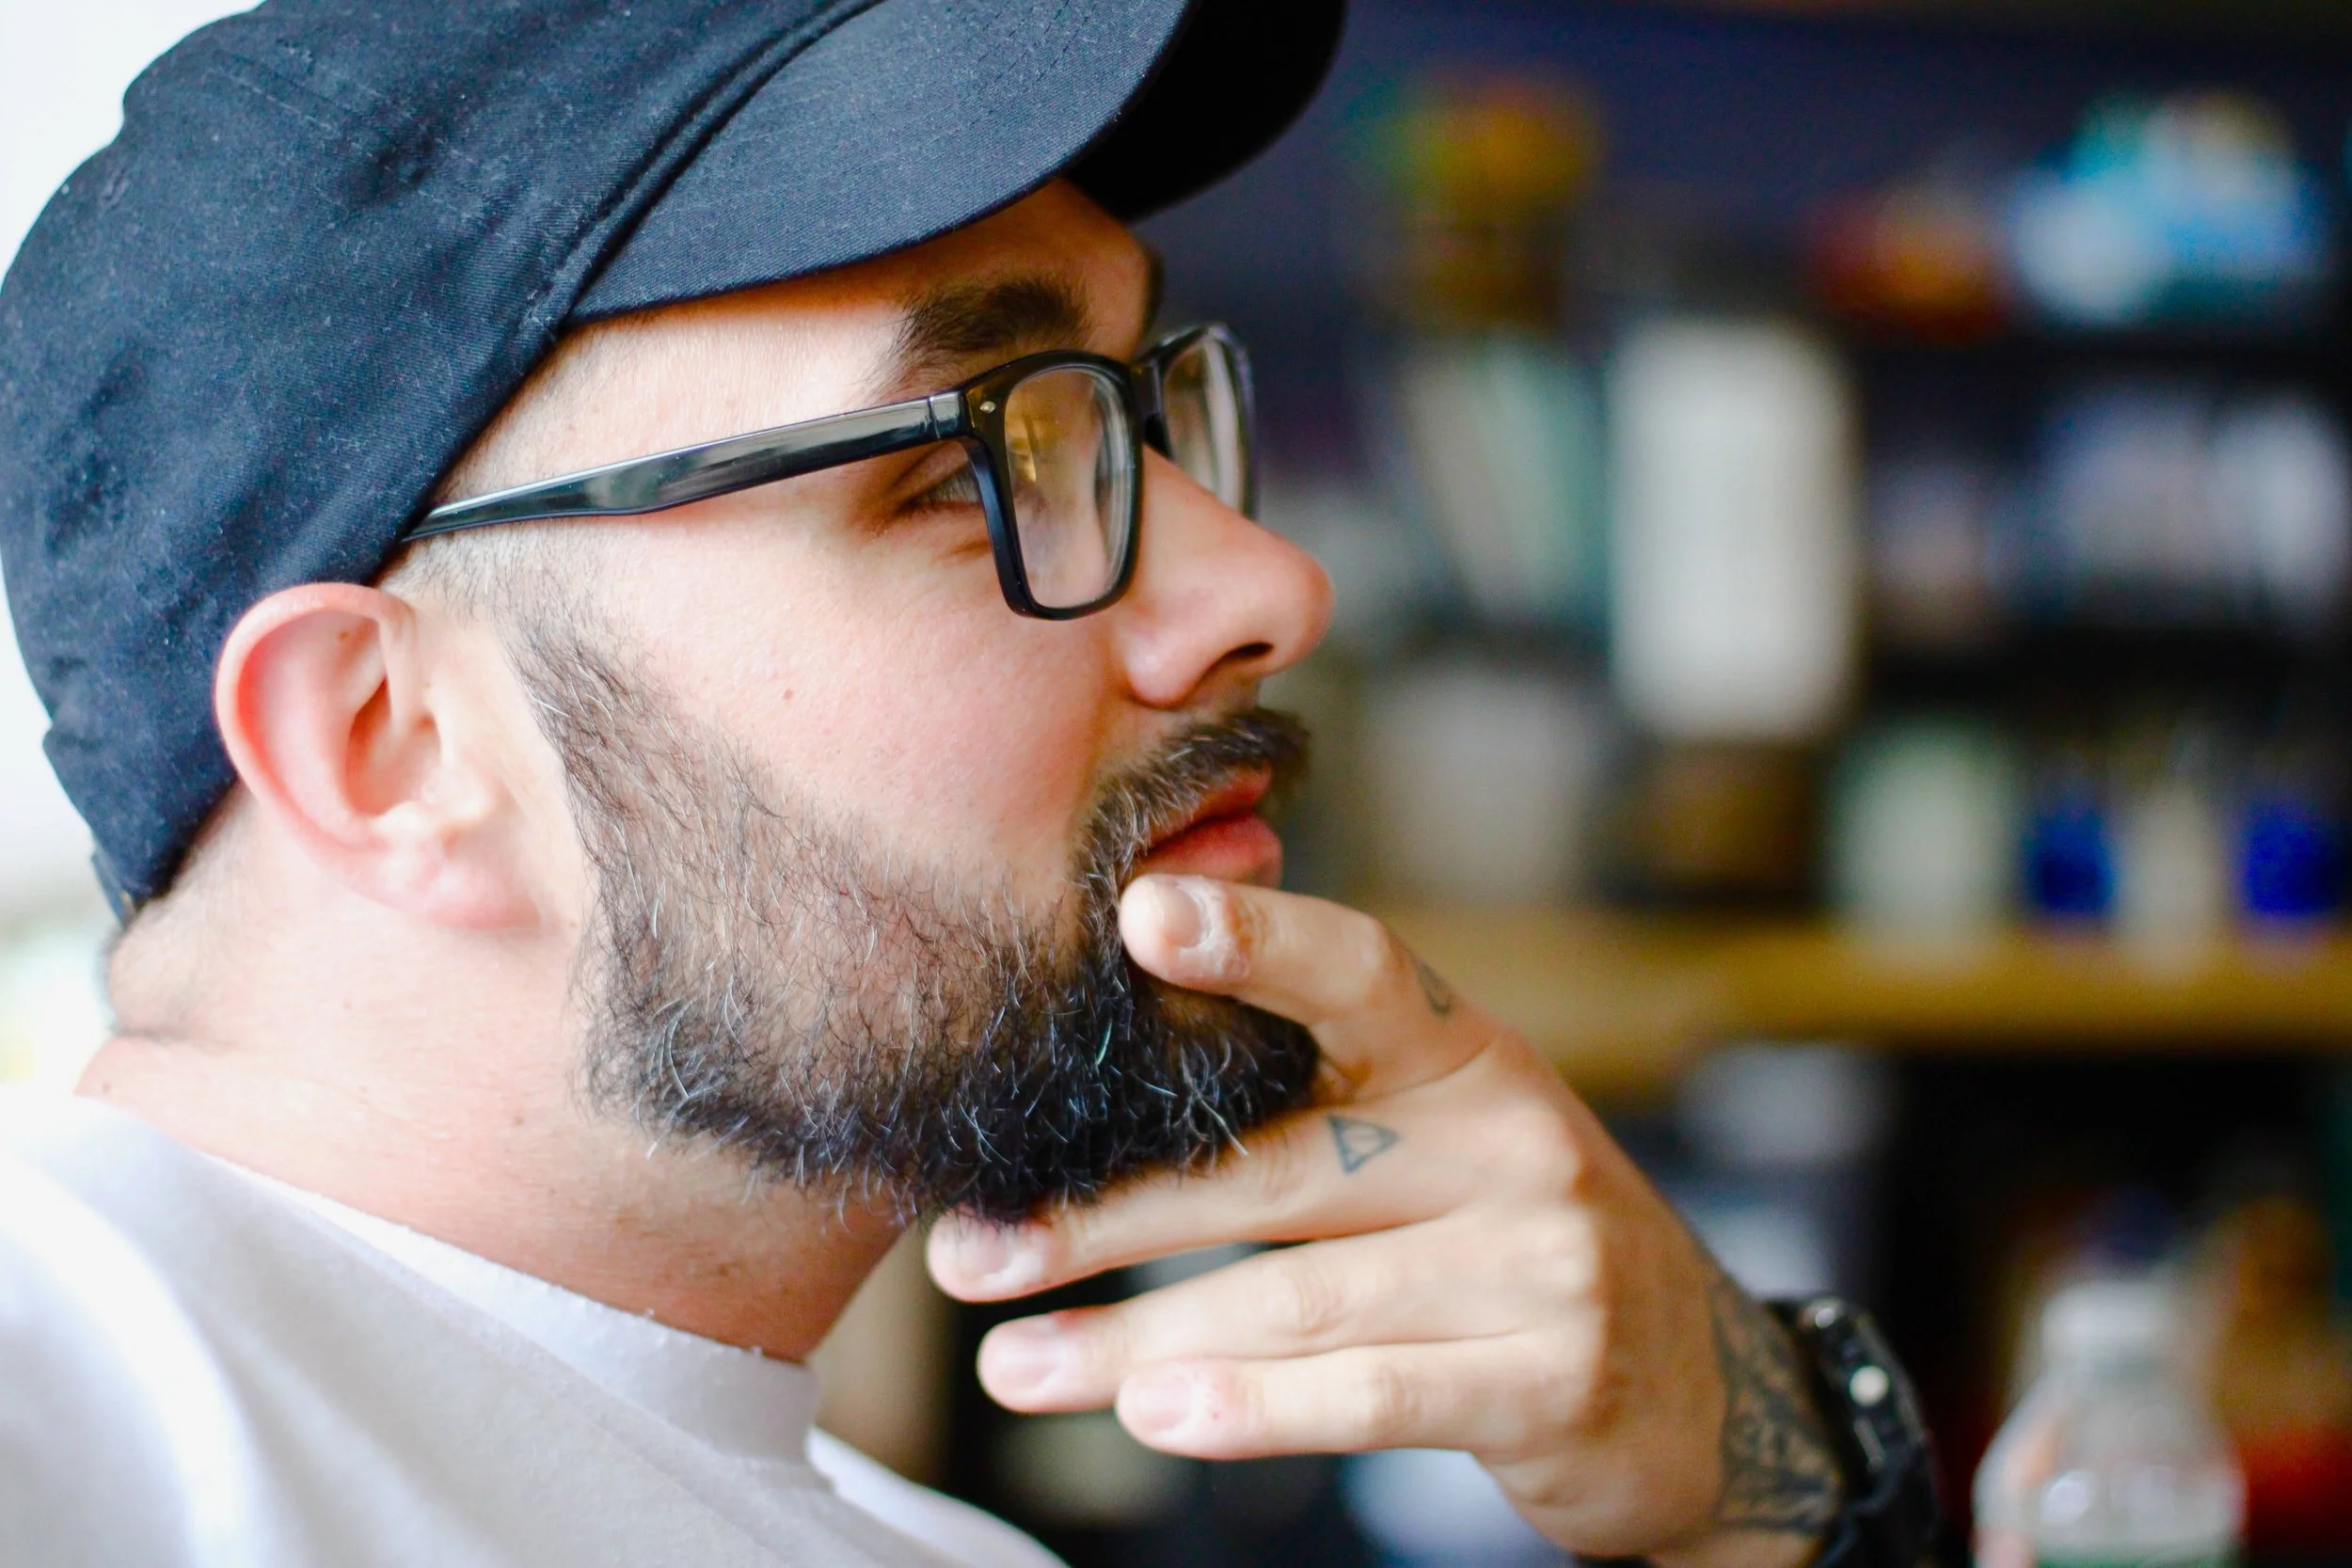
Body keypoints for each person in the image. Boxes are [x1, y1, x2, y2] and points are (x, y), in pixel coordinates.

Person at [0, 1, 1937, 1565]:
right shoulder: (68, 1379)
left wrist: (1752, 1476)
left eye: (1142, 413)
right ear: (387, 745)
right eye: (969, 465)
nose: (1269, 586)